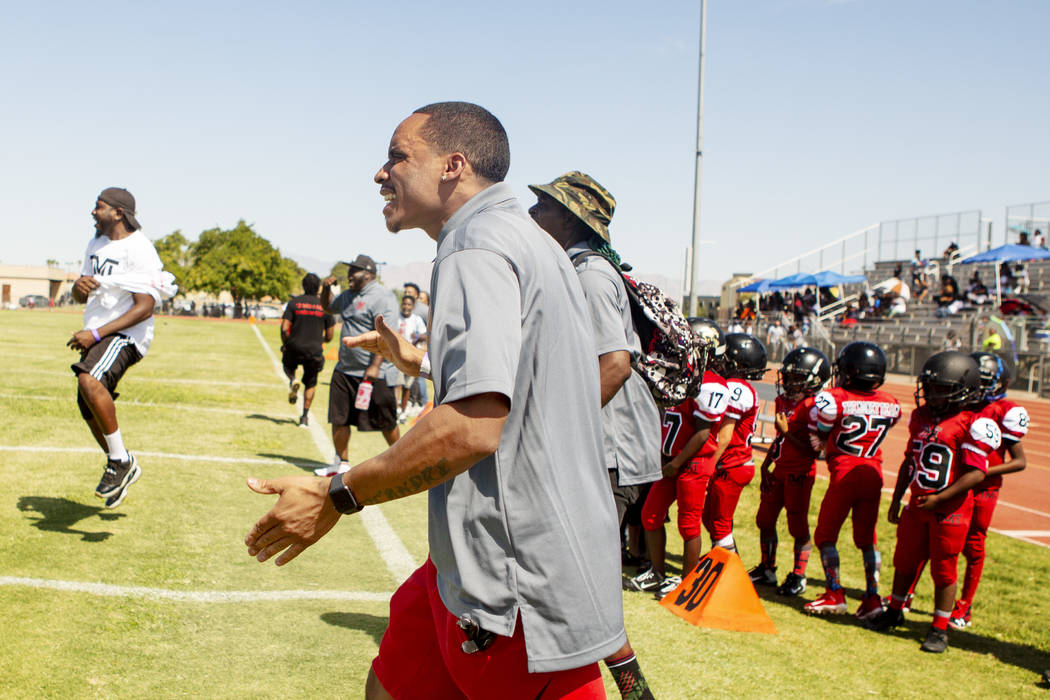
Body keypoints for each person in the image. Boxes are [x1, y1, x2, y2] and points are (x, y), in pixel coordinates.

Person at [245, 101, 622, 698]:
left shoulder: (477, 243)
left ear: (453, 165)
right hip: (468, 560)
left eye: (398, 155)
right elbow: (520, 386)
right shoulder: (514, 238)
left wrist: (336, 494)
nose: (380, 172)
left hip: (515, 577)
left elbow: (473, 427)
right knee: (391, 681)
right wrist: (416, 363)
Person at [528, 169, 660, 699]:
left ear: (569, 217)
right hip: (602, 450)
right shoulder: (577, 269)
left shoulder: (589, 276)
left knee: (580, 578)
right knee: (579, 577)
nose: (533, 214)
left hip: (609, 453)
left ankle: (627, 689)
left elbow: (615, 365)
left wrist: (560, 428)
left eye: (543, 206)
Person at [869, 352, 1000, 653]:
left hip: (950, 509)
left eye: (940, 388)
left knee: (943, 570)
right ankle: (895, 610)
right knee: (904, 561)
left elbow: (977, 473)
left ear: (963, 389)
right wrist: (898, 497)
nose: (931, 393)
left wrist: (940, 498)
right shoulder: (921, 416)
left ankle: (939, 629)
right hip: (918, 503)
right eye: (929, 387)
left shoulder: (971, 422)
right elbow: (908, 461)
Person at [68, 187, 173, 508]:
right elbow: (83, 294)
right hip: (98, 332)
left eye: (98, 207)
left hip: (127, 334)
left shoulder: (140, 248)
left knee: (90, 379)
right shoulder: (95, 244)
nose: (92, 211)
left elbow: (145, 306)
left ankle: (120, 462)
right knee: (88, 405)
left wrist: (97, 334)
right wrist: (77, 288)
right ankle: (122, 462)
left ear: (118, 212)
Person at [628, 318, 728, 595]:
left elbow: (702, 433)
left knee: (688, 523)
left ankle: (689, 584)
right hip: (671, 462)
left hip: (692, 463)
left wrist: (675, 462)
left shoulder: (711, 384)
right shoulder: (679, 376)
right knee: (650, 515)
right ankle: (657, 574)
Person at [803, 342, 901, 621]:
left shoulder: (835, 399)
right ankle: (872, 597)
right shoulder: (891, 404)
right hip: (873, 473)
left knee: (825, 535)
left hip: (845, 472)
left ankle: (834, 591)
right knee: (867, 538)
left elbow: (821, 432)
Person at [949, 353, 1028, 629]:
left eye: (982, 381)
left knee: (973, 546)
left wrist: (979, 473)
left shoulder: (1005, 410)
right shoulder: (958, 403)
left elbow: (1019, 461)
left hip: (983, 490)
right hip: (954, 484)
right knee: (934, 540)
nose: (976, 387)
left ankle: (964, 606)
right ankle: (906, 594)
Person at [749, 347, 831, 596]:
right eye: (789, 376)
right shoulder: (783, 400)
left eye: (797, 378)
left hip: (799, 473)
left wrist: (786, 433)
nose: (790, 382)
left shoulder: (815, 407)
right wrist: (767, 463)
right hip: (780, 469)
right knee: (764, 520)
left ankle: (799, 575)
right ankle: (768, 568)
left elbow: (816, 452)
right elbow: (780, 440)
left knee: (798, 527)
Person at [316, 254, 400, 477]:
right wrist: (325, 289)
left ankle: (402, 460)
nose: (349, 275)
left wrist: (375, 365)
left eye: (354, 271)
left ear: (369, 273)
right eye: (349, 270)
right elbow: (328, 308)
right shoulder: (347, 296)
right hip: (345, 369)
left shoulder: (382, 297)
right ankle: (341, 463)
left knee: (386, 420)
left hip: (374, 372)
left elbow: (388, 334)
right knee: (338, 417)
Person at [702, 333, 766, 554]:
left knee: (720, 525)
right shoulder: (738, 386)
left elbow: (726, 436)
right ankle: (719, 563)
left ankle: (728, 573)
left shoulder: (736, 387)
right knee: (710, 519)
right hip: (732, 462)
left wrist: (708, 465)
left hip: (732, 463)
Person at [282, 273, 336, 427]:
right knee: (311, 383)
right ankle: (304, 417)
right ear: (318, 287)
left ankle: (293, 379)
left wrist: (286, 343)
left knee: (287, 365)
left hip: (294, 346)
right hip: (314, 350)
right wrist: (321, 340)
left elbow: (285, 328)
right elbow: (330, 335)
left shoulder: (294, 303)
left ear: (303, 286)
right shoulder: (324, 306)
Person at [393, 294, 428, 422]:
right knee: (398, 384)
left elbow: (425, 334)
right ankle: (396, 409)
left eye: (409, 304)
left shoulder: (416, 319)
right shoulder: (396, 318)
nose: (406, 307)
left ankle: (403, 412)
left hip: (412, 356)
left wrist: (418, 337)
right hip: (398, 356)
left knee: (407, 386)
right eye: (404, 304)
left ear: (412, 306)